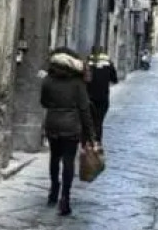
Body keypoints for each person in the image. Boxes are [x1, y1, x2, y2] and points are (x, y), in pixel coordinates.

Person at [40, 46, 95, 216]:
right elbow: (85, 109)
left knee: (54, 158)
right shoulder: (78, 84)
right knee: (68, 161)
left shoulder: (48, 80)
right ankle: (65, 197)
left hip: (53, 124)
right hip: (71, 127)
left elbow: (43, 102)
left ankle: (53, 191)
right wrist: (90, 134)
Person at [86, 45, 118, 144]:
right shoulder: (109, 65)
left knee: (90, 121)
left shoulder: (87, 64)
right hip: (103, 98)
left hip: (89, 98)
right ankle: (97, 142)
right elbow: (115, 80)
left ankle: (88, 142)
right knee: (99, 122)